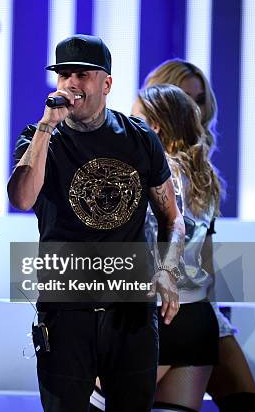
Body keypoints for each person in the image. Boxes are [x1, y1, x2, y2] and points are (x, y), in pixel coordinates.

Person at [7, 34, 185, 412]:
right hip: (65, 310)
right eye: (63, 75)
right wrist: (45, 127)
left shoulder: (140, 139)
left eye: (82, 74)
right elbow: (22, 198)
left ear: (106, 84)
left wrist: (169, 270)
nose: (71, 83)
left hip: (131, 310)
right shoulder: (39, 139)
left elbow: (173, 219)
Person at [90, 84, 223, 412]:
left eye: (134, 118)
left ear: (155, 126)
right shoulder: (206, 179)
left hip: (155, 315)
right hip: (198, 321)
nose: (127, 125)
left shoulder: (152, 174)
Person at [144, 59, 255, 412]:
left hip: (193, 307)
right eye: (184, 98)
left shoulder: (201, 170)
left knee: (242, 400)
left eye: (199, 99)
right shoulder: (144, 158)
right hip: (158, 307)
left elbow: (204, 251)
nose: (193, 108)